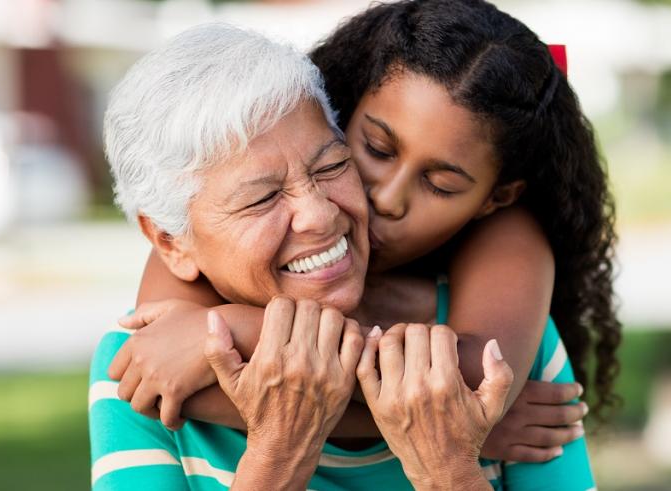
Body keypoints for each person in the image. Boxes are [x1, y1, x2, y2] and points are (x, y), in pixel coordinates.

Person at [105, 0, 621, 488]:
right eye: (374, 149)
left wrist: (237, 331)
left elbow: (479, 380)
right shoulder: (180, 259)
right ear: (341, 113)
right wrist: (454, 424)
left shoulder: (508, 239)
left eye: (441, 185)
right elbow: (160, 369)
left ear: (494, 198)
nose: (387, 198)